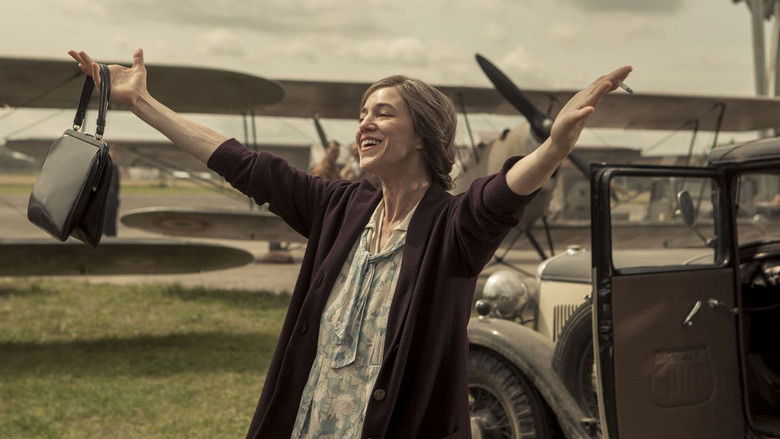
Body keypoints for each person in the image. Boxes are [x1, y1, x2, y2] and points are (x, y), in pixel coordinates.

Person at [68, 49, 631, 438]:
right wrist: (143, 103)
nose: (364, 124)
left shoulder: (453, 226)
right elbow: (243, 162)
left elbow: (500, 196)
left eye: (383, 113)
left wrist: (553, 147)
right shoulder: (339, 207)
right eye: (362, 114)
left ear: (424, 137)